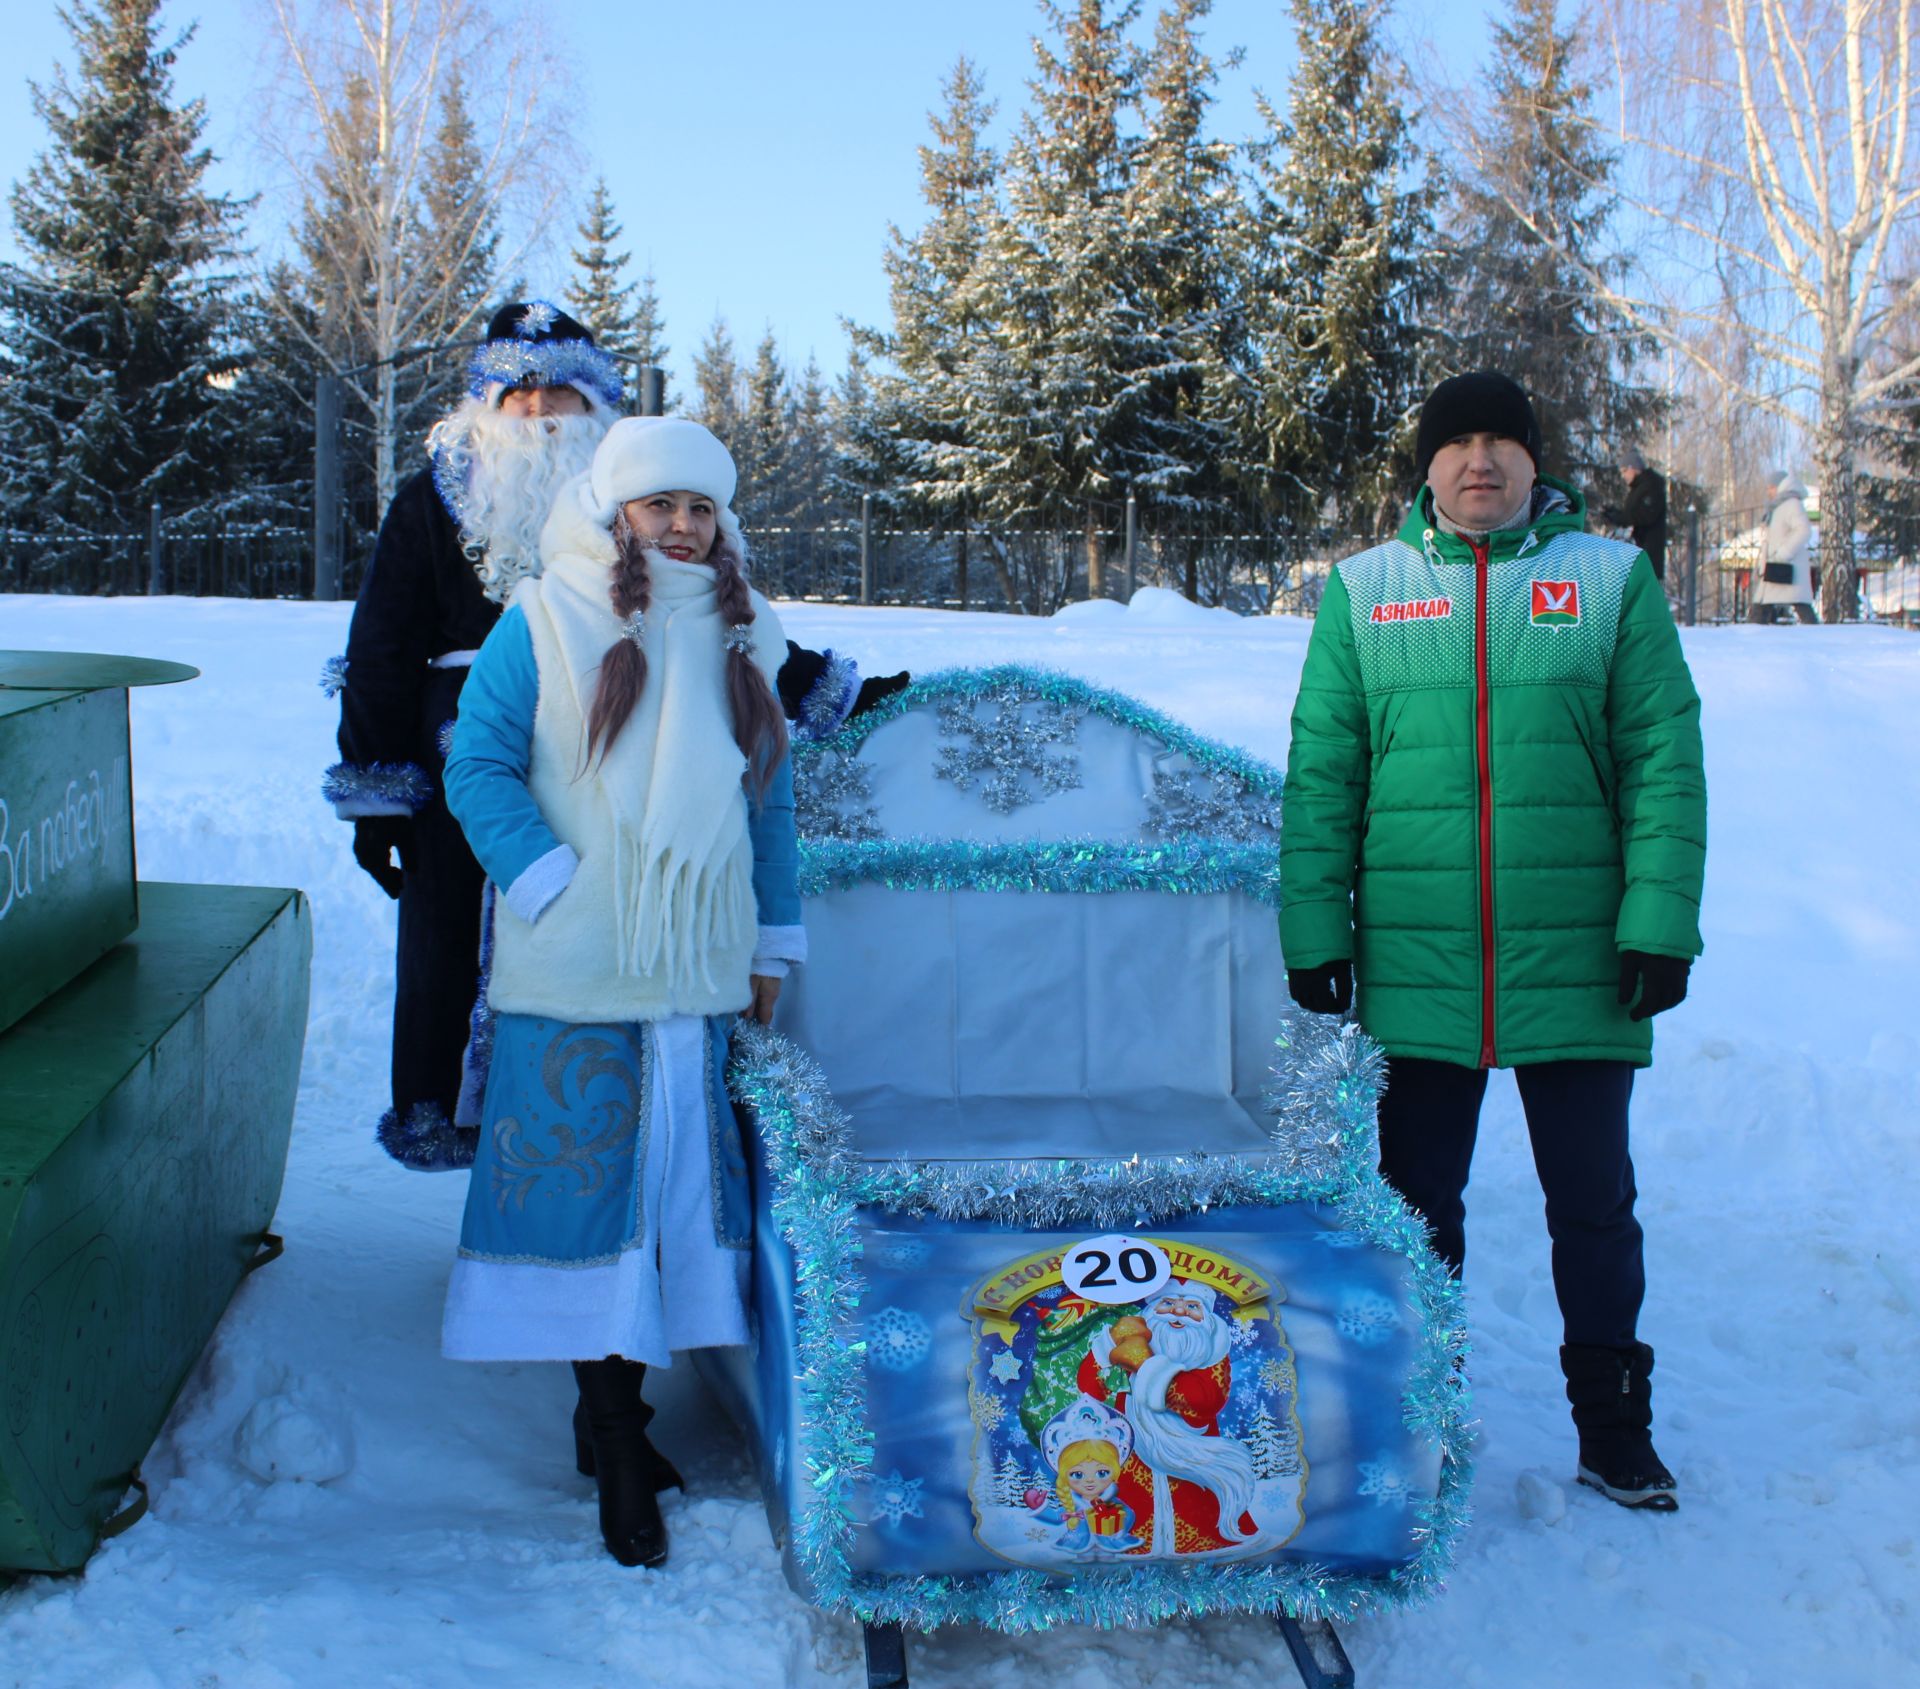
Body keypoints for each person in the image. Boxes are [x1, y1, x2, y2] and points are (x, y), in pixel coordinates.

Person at [325, 301, 904, 1173]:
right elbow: (379, 645)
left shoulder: (636, 504)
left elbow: (709, 623)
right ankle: (501, 1173)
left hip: (608, 748)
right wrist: (378, 795)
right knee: (456, 963)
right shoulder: (434, 493)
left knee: (610, 985)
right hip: (467, 763)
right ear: (488, 398)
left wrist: (821, 688)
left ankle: (611, 1175)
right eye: (519, 391)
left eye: (561, 391)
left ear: (594, 407)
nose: (540, 409)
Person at [1280, 370, 1707, 1513]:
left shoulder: (1609, 584)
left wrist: (1661, 924)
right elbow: (1325, 773)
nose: (1481, 461)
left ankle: (1615, 1427)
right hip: (1419, 962)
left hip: (1580, 955)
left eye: (1502, 442)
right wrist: (1316, 929)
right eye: (1458, 442)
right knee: (1418, 1204)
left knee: (1595, 1205)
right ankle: (1424, 1423)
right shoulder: (1365, 592)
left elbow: (1666, 761)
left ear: (1535, 462)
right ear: (1426, 467)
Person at [439, 416, 802, 1570]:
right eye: (661, 507)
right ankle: (613, 1433)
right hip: (583, 964)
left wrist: (770, 945)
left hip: (694, 967)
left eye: (701, 508)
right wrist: (547, 879)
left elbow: (769, 802)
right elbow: (478, 762)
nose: (685, 527)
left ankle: (623, 1424)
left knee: (670, 1203)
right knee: (595, 1201)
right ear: (616, 515)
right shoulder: (542, 620)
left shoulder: (747, 635)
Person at [1747, 470, 1819, 624]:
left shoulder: (1791, 504)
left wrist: (1784, 552)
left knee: (1798, 604)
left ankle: (1751, 633)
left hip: (1786, 565)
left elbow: (1803, 530)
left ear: (1780, 487)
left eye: (1771, 487)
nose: (1769, 491)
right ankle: (1752, 632)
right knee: (1763, 603)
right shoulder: (1778, 506)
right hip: (1777, 565)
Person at [1609, 446, 1668, 580]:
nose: (1623, 476)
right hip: (1639, 550)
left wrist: (1621, 518)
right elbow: (1634, 514)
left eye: (1624, 471)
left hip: (1649, 552)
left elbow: (1645, 515)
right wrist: (1616, 514)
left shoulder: (1651, 485)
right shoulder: (1639, 488)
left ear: (1633, 468)